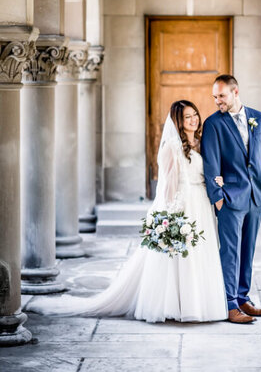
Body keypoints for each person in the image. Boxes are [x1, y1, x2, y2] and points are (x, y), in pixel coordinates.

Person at [27, 100, 227, 323]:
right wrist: (172, 216)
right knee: (181, 255)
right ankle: (179, 305)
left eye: (195, 114)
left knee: (201, 253)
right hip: (184, 204)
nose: (194, 119)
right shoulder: (172, 146)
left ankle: (200, 302)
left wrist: (217, 180)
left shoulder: (201, 142)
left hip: (201, 202)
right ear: (178, 121)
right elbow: (169, 185)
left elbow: (208, 172)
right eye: (188, 116)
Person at [201, 74, 261, 324]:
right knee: (230, 252)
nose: (217, 100)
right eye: (215, 96)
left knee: (248, 249)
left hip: (256, 196)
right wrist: (217, 197)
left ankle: (243, 298)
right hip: (230, 198)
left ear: (235, 92)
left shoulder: (260, 119)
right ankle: (230, 304)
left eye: (221, 95)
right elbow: (211, 163)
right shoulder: (213, 124)